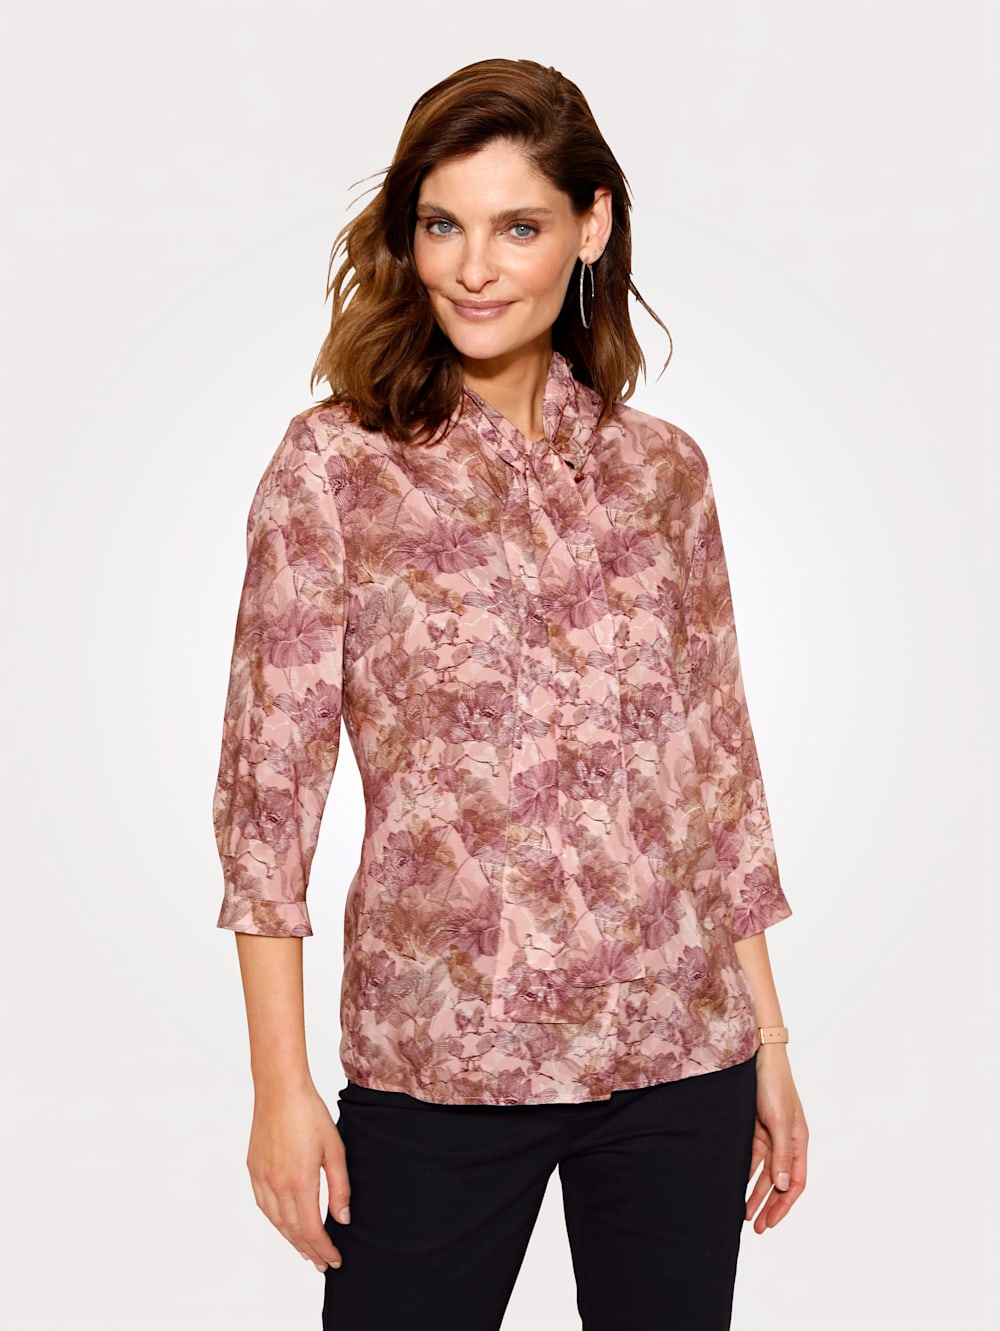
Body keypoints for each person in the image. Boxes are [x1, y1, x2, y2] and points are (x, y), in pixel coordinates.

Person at [212, 56, 808, 1331]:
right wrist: (279, 1087)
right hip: (440, 1066)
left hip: (680, 1057)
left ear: (590, 226)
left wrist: (768, 1041)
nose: (474, 267)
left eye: (517, 226)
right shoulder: (338, 468)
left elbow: (715, 776)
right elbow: (267, 802)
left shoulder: (663, 474)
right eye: (443, 225)